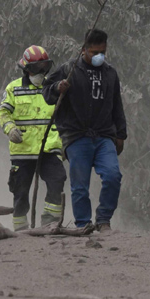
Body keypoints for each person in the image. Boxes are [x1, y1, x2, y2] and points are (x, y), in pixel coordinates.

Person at [42, 29, 126, 231]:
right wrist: (57, 88)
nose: (99, 56)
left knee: (113, 176)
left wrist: (121, 134)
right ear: (83, 50)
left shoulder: (110, 73)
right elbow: (47, 91)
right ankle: (83, 223)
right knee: (80, 186)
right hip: (76, 135)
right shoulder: (68, 69)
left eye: (102, 52)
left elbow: (117, 104)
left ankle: (104, 219)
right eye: (94, 52)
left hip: (104, 134)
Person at [0, 45, 66, 230]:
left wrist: (65, 144)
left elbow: (64, 117)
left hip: (49, 149)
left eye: (45, 67)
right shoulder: (14, 88)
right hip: (23, 151)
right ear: (26, 69)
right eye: (37, 68)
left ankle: (49, 222)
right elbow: (3, 113)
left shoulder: (53, 88)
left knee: (57, 180)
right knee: (20, 192)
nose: (42, 72)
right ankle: (20, 229)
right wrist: (10, 129)